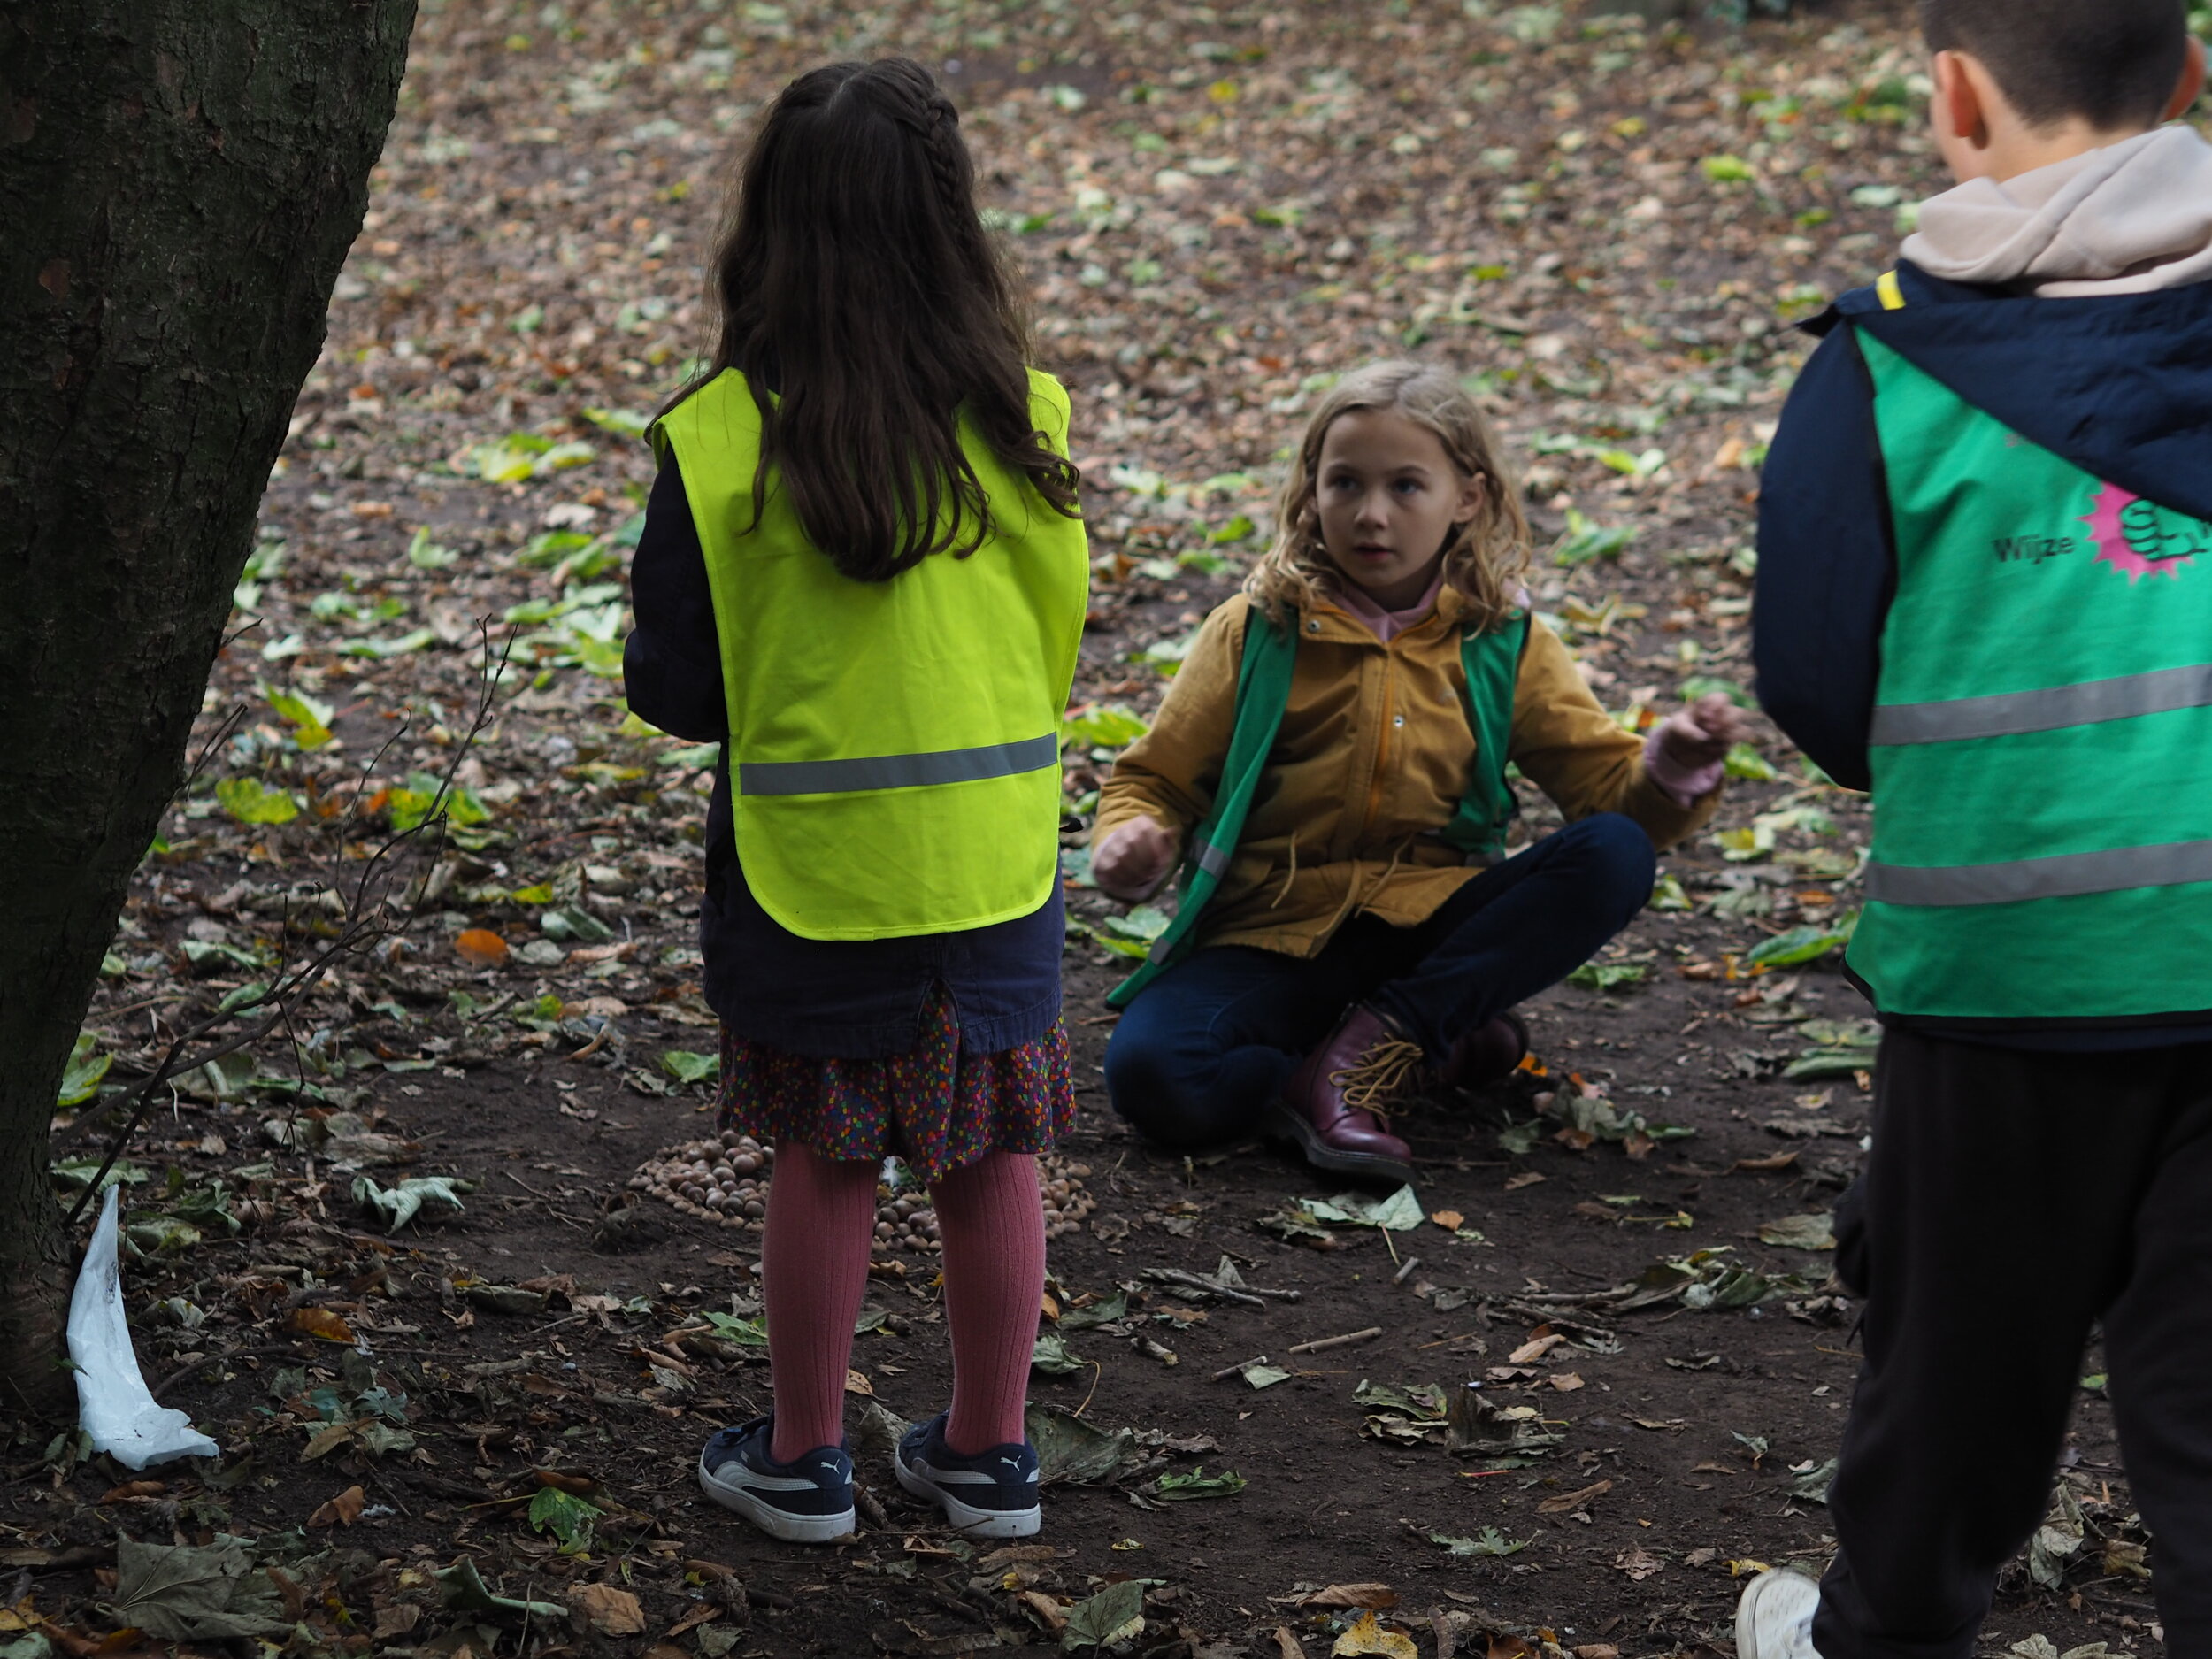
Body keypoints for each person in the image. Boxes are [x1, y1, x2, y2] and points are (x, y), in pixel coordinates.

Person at [1742, 2, 2212, 1654]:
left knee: (1952, 1384)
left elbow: (1814, 681)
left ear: (1952, 94)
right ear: (2191, 77)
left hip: (2006, 976)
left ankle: (1884, 1634)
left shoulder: (1881, 370)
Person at [622, 58, 1089, 1545]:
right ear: (954, 224)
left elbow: (677, 688)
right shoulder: (1026, 415)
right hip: (996, 862)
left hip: (815, 870)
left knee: (825, 1152)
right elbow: (1052, 639)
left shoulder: (719, 439)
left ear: (769, 226)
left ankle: (802, 1458)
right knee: (992, 1147)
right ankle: (991, 1456)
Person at [1090, 361, 1749, 1186]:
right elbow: (1154, 780)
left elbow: (1608, 797)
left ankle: (1383, 1044)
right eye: (1345, 483)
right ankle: (1367, 1064)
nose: (1372, 514)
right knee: (1154, 1078)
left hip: (1430, 935)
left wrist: (1673, 766)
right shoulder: (1257, 629)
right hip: (1273, 937)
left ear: (1466, 498)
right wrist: (1131, 840)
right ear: (1311, 490)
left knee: (1614, 850)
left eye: (1406, 486)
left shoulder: (1502, 639)